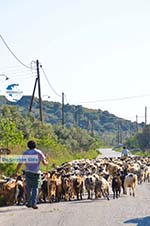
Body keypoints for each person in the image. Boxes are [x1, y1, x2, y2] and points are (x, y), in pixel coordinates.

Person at [15, 140, 48, 209]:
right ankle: (34, 203)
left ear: (28, 146)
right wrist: (47, 162)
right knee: (35, 188)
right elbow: (44, 163)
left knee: (28, 188)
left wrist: (16, 171)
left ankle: (29, 202)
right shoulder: (39, 152)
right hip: (36, 172)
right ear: (35, 145)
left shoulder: (25, 153)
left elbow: (20, 163)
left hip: (28, 172)